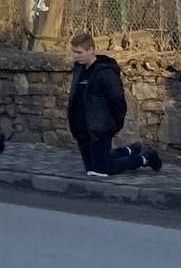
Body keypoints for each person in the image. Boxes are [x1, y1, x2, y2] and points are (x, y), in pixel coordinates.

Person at [68, 33, 162, 176]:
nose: (75, 56)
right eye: (74, 52)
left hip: (99, 127)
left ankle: (144, 158)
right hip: (81, 128)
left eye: (79, 52)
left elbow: (117, 100)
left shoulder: (105, 71)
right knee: (91, 169)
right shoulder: (79, 69)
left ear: (91, 50)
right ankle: (129, 150)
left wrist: (117, 124)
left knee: (102, 170)